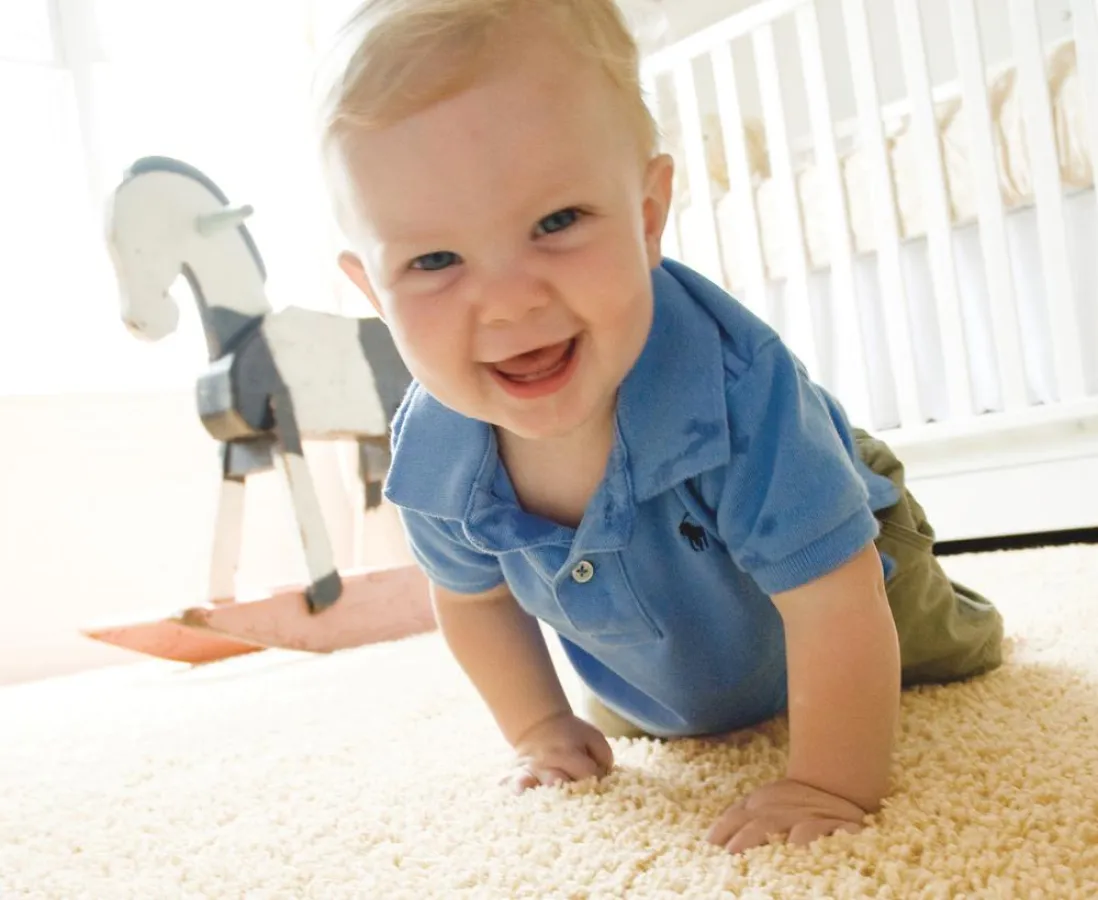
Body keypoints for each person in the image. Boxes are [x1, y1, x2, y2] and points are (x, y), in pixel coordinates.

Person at [313, 0, 1004, 855]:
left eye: (556, 222)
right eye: (434, 261)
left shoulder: (736, 386)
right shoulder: (435, 452)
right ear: (374, 292)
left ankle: (961, 615)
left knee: (935, 644)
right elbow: (474, 601)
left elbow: (835, 601)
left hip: (852, 548)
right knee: (658, 711)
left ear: (647, 215)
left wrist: (827, 784)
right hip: (659, 624)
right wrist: (539, 727)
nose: (511, 301)